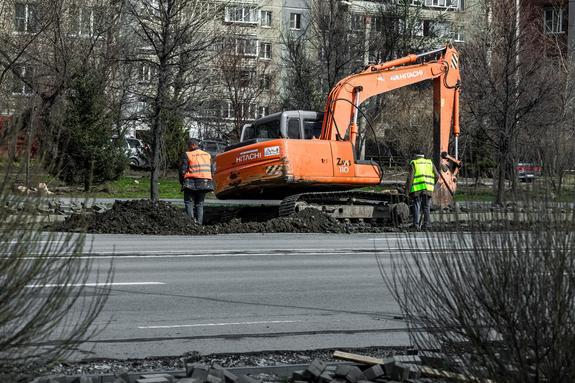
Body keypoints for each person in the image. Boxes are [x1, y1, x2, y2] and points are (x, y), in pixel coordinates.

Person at [179, 138, 214, 224]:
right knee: (200, 204)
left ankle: (190, 224)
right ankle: (199, 224)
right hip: (205, 182)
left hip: (190, 182)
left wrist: (182, 182)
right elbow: (212, 170)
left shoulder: (188, 154)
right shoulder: (207, 155)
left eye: (188, 146)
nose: (188, 148)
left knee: (189, 202)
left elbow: (182, 171)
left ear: (193, 145)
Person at [405, 148, 437, 229]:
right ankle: (427, 224)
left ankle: (415, 225)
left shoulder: (414, 163)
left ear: (416, 155)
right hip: (428, 188)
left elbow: (410, 178)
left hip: (417, 189)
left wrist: (407, 191)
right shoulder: (430, 163)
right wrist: (433, 185)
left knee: (416, 205)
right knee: (426, 206)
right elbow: (437, 176)